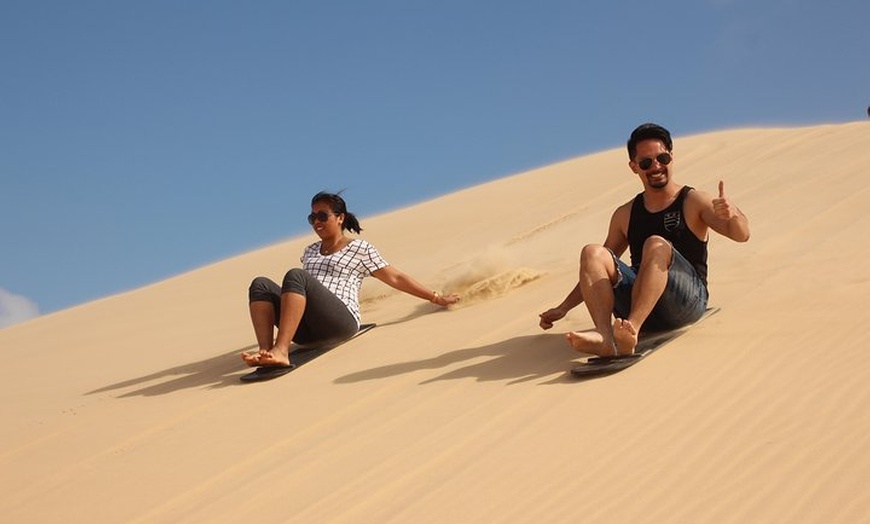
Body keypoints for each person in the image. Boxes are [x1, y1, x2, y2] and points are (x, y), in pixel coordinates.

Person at [538, 123, 750, 356]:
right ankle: (605, 338)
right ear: (634, 167)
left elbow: (741, 235)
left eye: (662, 158)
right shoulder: (625, 214)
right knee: (592, 252)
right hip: (640, 303)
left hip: (686, 303)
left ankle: (631, 331)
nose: (656, 167)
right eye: (646, 163)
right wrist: (563, 308)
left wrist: (734, 215)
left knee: (655, 244)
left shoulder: (694, 201)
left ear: (672, 157)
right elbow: (595, 271)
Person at [243, 191, 460, 367]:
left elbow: (395, 277)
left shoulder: (359, 248)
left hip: (340, 322)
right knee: (260, 284)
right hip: (307, 331)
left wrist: (435, 298)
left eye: (322, 216)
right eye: (312, 218)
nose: (316, 222)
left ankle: (281, 350)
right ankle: (267, 351)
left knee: (295, 276)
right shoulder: (309, 251)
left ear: (340, 218)